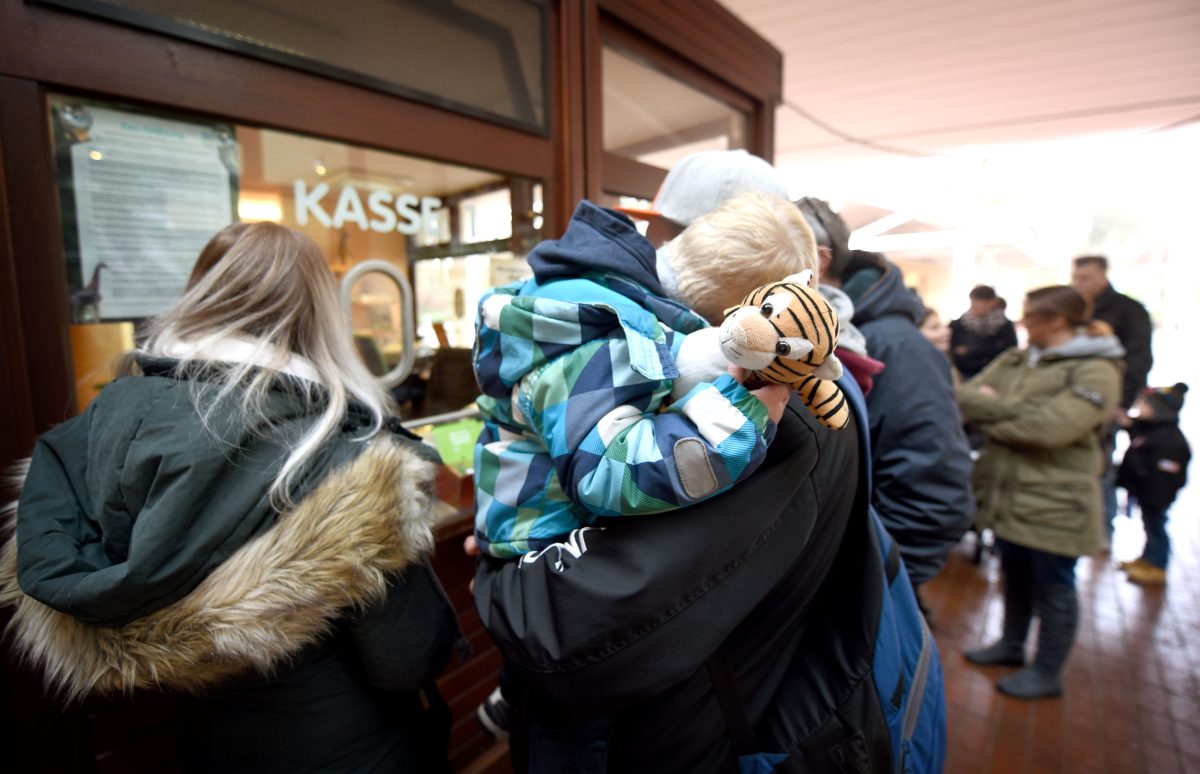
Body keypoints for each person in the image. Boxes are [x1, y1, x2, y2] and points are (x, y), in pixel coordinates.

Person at [0, 222, 463, 772]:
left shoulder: (105, 425)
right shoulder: (342, 457)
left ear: (202, 292)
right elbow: (405, 659)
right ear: (319, 315)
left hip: (207, 745)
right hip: (351, 750)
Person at [470, 192, 802, 764]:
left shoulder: (602, 299)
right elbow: (607, 471)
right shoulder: (605, 335)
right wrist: (737, 422)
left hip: (538, 529)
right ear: (727, 322)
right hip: (545, 547)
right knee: (575, 719)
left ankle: (516, 697)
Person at [796, 198, 973, 600]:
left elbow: (934, 495)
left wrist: (871, 584)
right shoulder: (810, 334)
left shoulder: (894, 346)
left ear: (818, 263)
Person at [958, 285, 1123, 699]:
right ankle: (1011, 644)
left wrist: (993, 418)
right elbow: (965, 397)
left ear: (1057, 319)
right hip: (1007, 491)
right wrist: (1019, 413)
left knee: (1054, 585)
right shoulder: (1018, 357)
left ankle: (1047, 670)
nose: (1023, 322)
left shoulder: (1096, 369)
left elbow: (1052, 430)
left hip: (1055, 500)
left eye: (1031, 315)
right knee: (1014, 573)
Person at [1071, 254, 1154, 547]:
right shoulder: (1074, 308)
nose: (1080, 284)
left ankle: (1103, 532)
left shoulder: (1128, 311)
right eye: (1076, 278)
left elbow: (1139, 360)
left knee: (1101, 468)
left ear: (1102, 275)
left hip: (1106, 404)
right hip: (1070, 402)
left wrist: (1121, 402)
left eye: (1086, 278)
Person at [1117, 383, 1191, 586]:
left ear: (1159, 411)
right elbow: (1139, 438)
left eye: (1143, 404)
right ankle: (1147, 559)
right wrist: (1129, 425)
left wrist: (1154, 497)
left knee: (1156, 529)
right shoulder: (1151, 430)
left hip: (1156, 497)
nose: (1138, 407)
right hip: (1146, 493)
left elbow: (1166, 478)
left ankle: (1158, 566)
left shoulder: (1171, 442)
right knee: (1149, 527)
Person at [949, 284, 1018, 379]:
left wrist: (970, 351)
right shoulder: (958, 324)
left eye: (979, 302)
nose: (974, 306)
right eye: (973, 301)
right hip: (964, 374)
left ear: (992, 302)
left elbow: (1011, 352)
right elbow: (953, 350)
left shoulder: (1004, 326)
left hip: (996, 375)